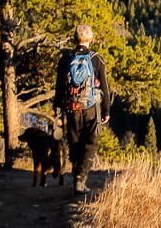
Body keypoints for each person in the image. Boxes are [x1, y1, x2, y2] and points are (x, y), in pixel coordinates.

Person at [54, 24, 110, 195]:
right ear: (91, 39)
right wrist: (106, 111)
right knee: (90, 143)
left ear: (73, 38)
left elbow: (58, 87)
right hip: (91, 107)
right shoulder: (96, 59)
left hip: (71, 108)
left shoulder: (65, 59)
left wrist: (57, 110)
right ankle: (80, 178)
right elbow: (105, 88)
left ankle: (76, 176)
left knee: (74, 142)